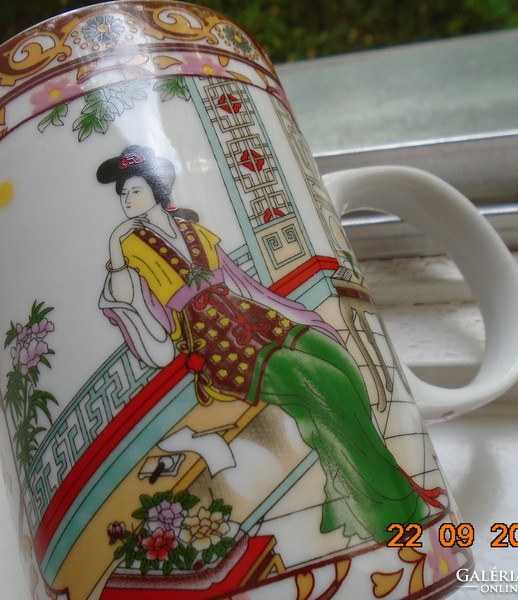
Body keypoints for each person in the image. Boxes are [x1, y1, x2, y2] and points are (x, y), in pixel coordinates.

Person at [97, 146, 436, 543]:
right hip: (215, 345)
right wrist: (114, 253)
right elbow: (125, 300)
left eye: (134, 190)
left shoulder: (192, 230)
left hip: (252, 318)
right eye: (123, 194)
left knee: (341, 363)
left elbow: (238, 281)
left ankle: (351, 488)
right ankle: (386, 511)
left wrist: (293, 315)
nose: (127, 200)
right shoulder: (131, 247)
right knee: (325, 385)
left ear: (156, 189)